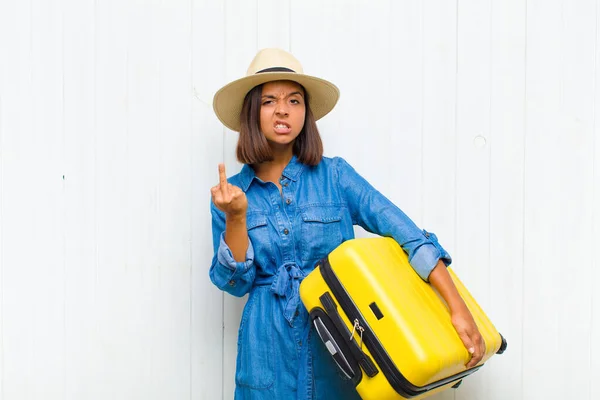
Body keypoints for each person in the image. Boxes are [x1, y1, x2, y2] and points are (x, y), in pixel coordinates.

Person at [209, 48, 484, 400]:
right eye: (269, 101)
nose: (282, 109)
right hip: (265, 351)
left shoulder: (337, 176)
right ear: (251, 112)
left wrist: (457, 309)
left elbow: (410, 237)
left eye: (294, 100)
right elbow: (235, 282)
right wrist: (236, 215)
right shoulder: (230, 194)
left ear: (305, 113)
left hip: (338, 339)